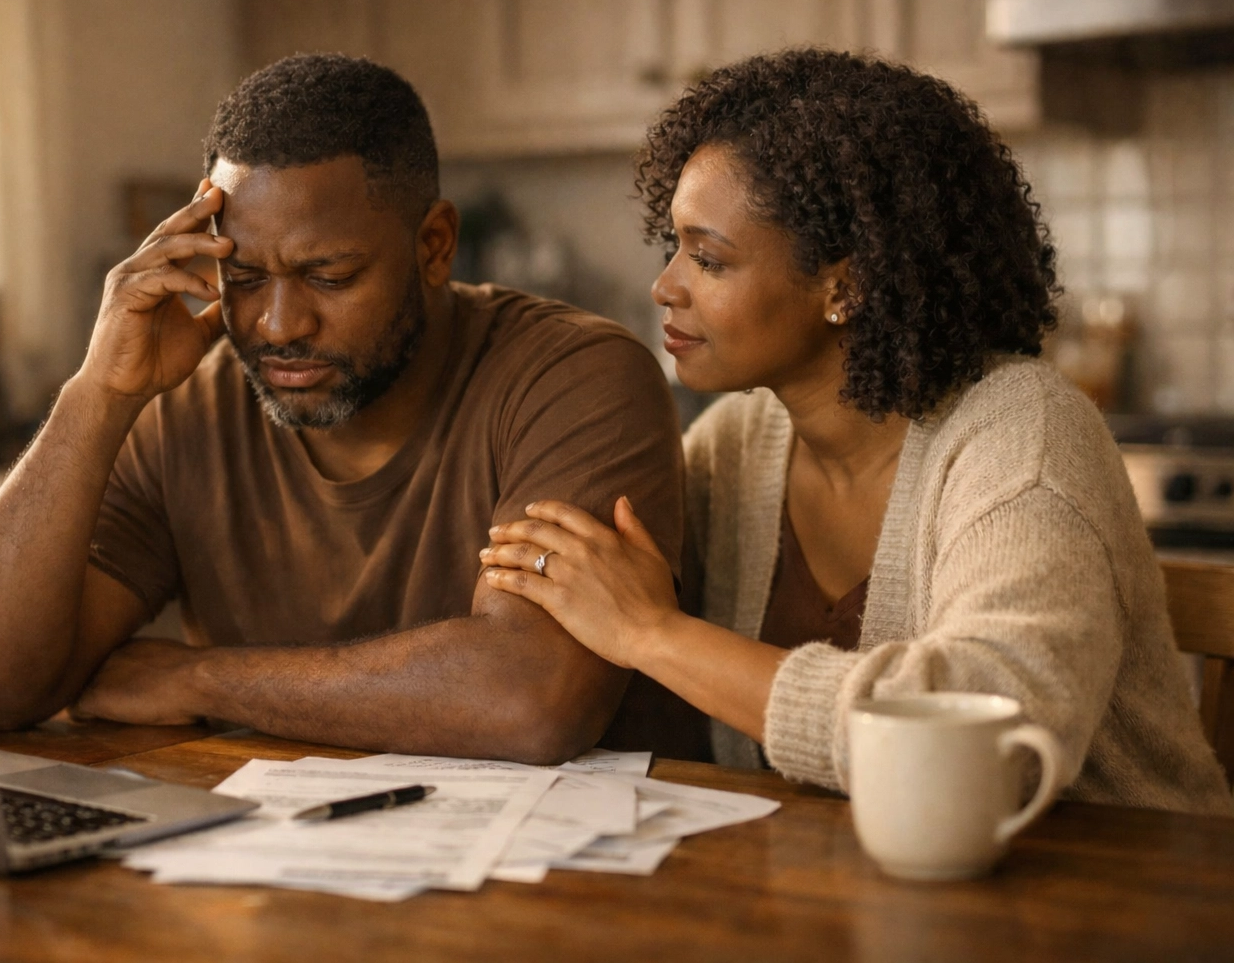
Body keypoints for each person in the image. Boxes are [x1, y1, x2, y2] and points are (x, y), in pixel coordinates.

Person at [481, 48, 1231, 811]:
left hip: (1121, 891)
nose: (664, 286)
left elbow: (993, 740)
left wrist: (654, 633)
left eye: (707, 259)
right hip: (864, 890)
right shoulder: (734, 448)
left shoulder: (1023, 436)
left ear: (846, 284)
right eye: (673, 247)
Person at [0, 53, 690, 765]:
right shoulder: (184, 409)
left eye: (327, 277)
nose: (277, 325)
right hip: (276, 868)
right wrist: (97, 395)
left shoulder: (571, 379)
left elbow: (529, 698)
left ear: (434, 246)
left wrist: (203, 680)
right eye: (245, 277)